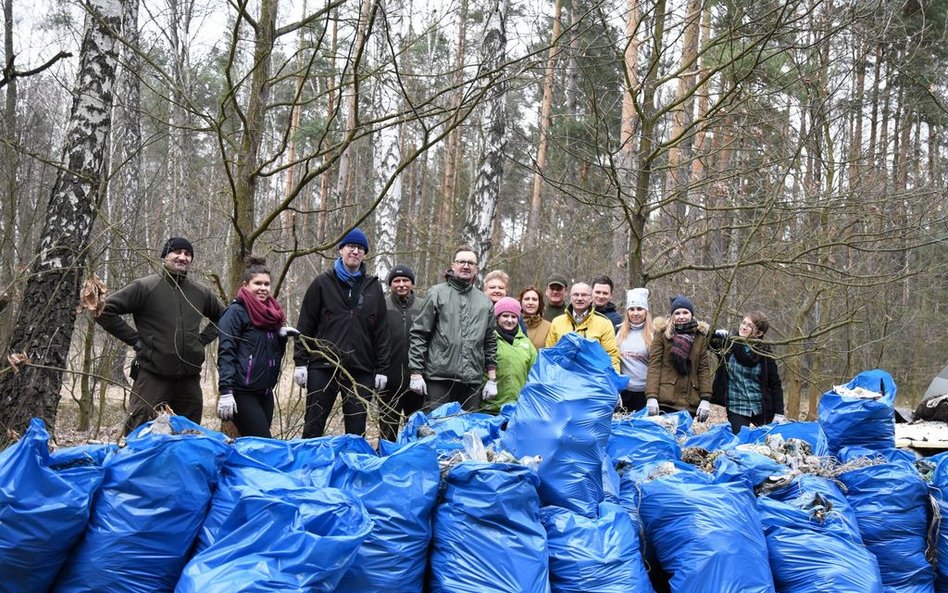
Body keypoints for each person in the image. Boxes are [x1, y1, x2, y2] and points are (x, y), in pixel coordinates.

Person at [96, 236, 225, 434]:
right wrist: (136, 341)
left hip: (189, 381)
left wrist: (200, 341)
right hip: (153, 376)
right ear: (165, 256)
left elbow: (223, 317)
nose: (182, 257)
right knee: (140, 433)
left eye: (187, 254)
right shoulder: (146, 287)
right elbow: (104, 310)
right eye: (177, 252)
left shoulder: (200, 292)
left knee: (189, 437)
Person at [293, 228, 390, 438]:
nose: (355, 252)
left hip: (360, 369)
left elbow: (381, 332)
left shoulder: (373, 288)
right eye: (351, 247)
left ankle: (352, 468)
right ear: (341, 250)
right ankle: (308, 467)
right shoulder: (321, 283)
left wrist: (382, 368)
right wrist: (300, 362)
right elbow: (305, 326)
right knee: (313, 425)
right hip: (323, 366)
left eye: (360, 249)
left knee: (356, 430)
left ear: (364, 254)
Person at [216, 256, 298, 438]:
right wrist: (226, 392)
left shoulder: (272, 314)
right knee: (265, 445)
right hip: (242, 393)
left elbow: (268, 354)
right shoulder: (235, 313)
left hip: (265, 393)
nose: (263, 288)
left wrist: (281, 338)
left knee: (254, 447)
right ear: (246, 285)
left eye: (267, 284)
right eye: (257, 283)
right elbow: (226, 353)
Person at [408, 246, 498, 411]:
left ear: (476, 268)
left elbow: (490, 341)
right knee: (437, 428)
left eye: (471, 263)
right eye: (461, 261)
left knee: (468, 430)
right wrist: (416, 372)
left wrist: (492, 378)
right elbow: (419, 334)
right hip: (439, 378)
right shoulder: (436, 294)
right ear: (453, 265)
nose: (466, 266)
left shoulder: (484, 302)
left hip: (472, 382)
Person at [711, 311, 785, 434]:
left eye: (750, 326)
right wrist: (715, 334)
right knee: (741, 441)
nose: (744, 327)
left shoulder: (765, 353)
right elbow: (708, 342)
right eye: (743, 323)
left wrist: (779, 412)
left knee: (766, 442)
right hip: (737, 405)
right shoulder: (728, 345)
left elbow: (775, 384)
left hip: (762, 407)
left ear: (759, 333)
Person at [645, 294, 714, 421]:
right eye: (677, 313)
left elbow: (703, 369)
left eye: (685, 312)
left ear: (691, 314)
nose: (681, 316)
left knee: (683, 438)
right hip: (665, 399)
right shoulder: (662, 335)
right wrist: (651, 396)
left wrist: (705, 399)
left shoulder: (699, 338)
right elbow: (654, 367)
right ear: (672, 316)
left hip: (690, 400)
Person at [378, 264, 423, 442]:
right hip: (389, 379)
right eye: (396, 281)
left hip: (417, 379)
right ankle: (386, 460)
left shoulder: (423, 305)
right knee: (387, 429)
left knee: (416, 428)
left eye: (406, 280)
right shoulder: (382, 305)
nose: (401, 284)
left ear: (412, 283)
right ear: (390, 285)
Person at [545, 282, 621, 372]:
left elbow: (611, 356)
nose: (580, 298)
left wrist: (613, 381)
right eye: (576, 295)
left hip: (593, 380)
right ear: (570, 297)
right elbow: (549, 355)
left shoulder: (604, 324)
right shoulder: (557, 322)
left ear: (591, 298)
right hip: (563, 379)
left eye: (584, 295)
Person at [489, 297, 537, 412]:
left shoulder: (526, 343)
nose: (509, 320)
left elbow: (535, 372)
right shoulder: (489, 339)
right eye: (505, 316)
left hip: (518, 407)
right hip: (490, 408)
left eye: (513, 316)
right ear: (497, 317)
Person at [616, 287, 653, 412]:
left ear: (646, 311)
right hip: (624, 392)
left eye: (639, 309)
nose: (635, 313)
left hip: (645, 393)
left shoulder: (654, 334)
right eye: (631, 309)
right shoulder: (619, 332)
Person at [519, 286, 551, 351]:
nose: (530, 303)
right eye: (527, 299)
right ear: (521, 302)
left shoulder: (548, 327)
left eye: (534, 299)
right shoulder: (513, 323)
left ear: (539, 303)